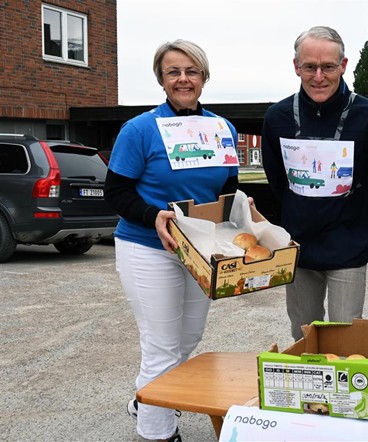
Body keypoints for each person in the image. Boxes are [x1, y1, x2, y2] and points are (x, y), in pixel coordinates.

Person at [104, 39, 239, 442]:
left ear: (204, 77)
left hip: (200, 249)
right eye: (173, 72)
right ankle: (157, 432)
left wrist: (242, 209)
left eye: (191, 71)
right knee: (161, 346)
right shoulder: (140, 129)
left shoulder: (222, 129)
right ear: (161, 80)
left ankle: (147, 398)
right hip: (148, 246)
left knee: (188, 337)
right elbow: (116, 192)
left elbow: (227, 190)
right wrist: (153, 215)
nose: (183, 79)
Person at [261, 26, 368, 340]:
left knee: (345, 339)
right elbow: (277, 178)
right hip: (298, 247)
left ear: (343, 65)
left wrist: (357, 215)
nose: (319, 77)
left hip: (348, 246)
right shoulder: (277, 117)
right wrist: (298, 210)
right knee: (304, 336)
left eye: (328, 67)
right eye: (310, 67)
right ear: (296, 66)